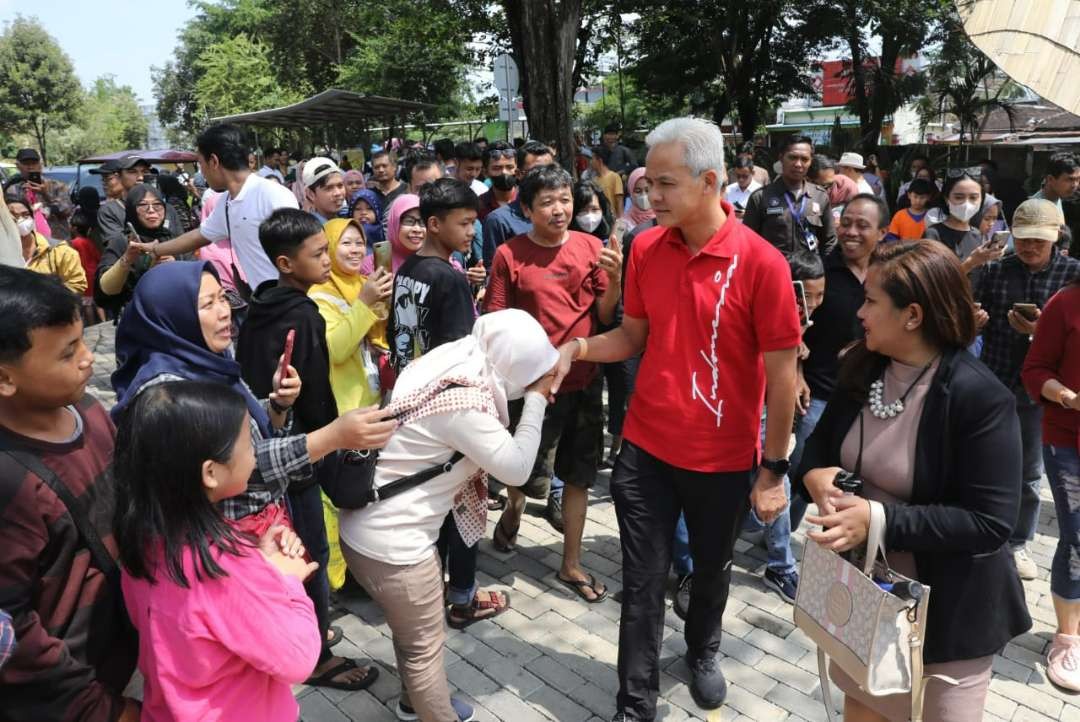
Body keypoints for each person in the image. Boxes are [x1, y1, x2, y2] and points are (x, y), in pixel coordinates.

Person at [548, 117, 801, 719]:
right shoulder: (644, 249)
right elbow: (632, 335)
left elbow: (783, 378)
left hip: (722, 459)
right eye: (647, 185)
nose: (650, 196)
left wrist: (773, 470)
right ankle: (636, 702)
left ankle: (703, 652)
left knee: (711, 573)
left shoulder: (761, 264)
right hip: (645, 452)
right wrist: (576, 349)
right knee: (642, 583)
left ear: (710, 181)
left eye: (663, 184)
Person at [109, 260, 395, 690]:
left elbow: (242, 435)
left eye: (223, 297)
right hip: (229, 537)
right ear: (172, 317)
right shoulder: (169, 392)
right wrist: (330, 437)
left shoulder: (204, 358)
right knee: (259, 636)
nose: (225, 311)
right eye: (207, 304)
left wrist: (276, 406)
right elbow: (241, 464)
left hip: (255, 525)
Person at [796, 240, 1032, 722]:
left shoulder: (979, 398)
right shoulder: (861, 367)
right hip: (867, 602)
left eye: (871, 301)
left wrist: (878, 519)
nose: (859, 312)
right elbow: (817, 452)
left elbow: (990, 522)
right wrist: (814, 477)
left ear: (912, 315)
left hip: (948, 618)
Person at [339, 309, 557, 722]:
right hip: (396, 547)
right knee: (425, 651)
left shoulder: (452, 358)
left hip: (366, 529)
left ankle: (410, 702)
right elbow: (516, 468)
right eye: (531, 372)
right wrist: (536, 400)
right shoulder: (467, 404)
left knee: (412, 632)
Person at [115, 381, 321, 722]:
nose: (255, 450)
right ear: (210, 472)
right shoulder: (223, 565)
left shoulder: (144, 538)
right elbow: (299, 658)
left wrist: (260, 563)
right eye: (246, 443)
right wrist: (285, 581)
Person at [0, 267, 139, 721]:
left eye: (82, 342)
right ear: (5, 378)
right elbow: (14, 635)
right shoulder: (12, 482)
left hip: (125, 645)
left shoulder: (86, 408)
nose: (86, 360)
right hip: (75, 694)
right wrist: (102, 710)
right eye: (66, 353)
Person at [486, 165, 622, 606]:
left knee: (579, 476)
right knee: (522, 472)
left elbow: (603, 315)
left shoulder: (591, 247)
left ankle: (571, 563)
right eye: (547, 202)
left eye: (565, 199)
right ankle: (513, 510)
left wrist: (616, 279)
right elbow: (497, 323)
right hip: (534, 390)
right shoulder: (510, 255)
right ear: (526, 209)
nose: (560, 209)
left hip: (583, 380)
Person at [972, 199, 1080, 581]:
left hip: (1044, 392)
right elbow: (973, 319)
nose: (1030, 247)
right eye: (1023, 239)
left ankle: (1018, 543)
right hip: (995, 379)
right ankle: (983, 533)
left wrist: (1037, 332)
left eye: (1039, 240)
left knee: (1030, 473)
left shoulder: (1072, 277)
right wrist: (975, 320)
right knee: (985, 462)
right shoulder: (996, 271)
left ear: (1056, 238)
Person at [136, 124, 301, 293]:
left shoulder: (272, 195)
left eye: (201, 164)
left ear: (213, 161)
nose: (202, 173)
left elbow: (300, 251)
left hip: (291, 301)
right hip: (265, 301)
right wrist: (155, 249)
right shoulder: (226, 202)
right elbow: (200, 236)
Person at [1022, 275, 1080, 690]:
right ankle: (1067, 638)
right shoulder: (1066, 304)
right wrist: (1069, 397)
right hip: (1068, 439)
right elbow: (1036, 369)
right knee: (1077, 537)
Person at [388, 179, 480, 373]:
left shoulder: (406, 269)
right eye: (464, 223)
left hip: (407, 384)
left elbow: (393, 332)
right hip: (440, 392)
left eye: (473, 222)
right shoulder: (451, 279)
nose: (472, 232)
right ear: (434, 224)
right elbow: (461, 353)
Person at [310, 218, 393, 417]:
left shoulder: (366, 283)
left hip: (380, 394)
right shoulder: (318, 293)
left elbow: (384, 334)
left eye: (360, 243)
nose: (355, 250)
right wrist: (364, 302)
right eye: (346, 243)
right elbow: (337, 350)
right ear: (328, 248)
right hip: (348, 405)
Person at [744, 134, 836, 257]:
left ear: (810, 161)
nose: (798, 164)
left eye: (804, 159)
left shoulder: (820, 196)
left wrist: (823, 271)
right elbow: (747, 242)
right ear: (781, 158)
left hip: (810, 274)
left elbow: (829, 241)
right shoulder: (760, 198)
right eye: (792, 157)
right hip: (774, 273)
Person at [95, 184, 181, 312]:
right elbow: (106, 289)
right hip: (136, 313)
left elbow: (195, 277)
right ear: (131, 209)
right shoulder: (123, 242)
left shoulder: (175, 239)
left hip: (175, 312)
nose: (151, 210)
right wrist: (127, 260)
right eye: (143, 205)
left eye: (157, 204)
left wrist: (176, 267)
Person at [481, 141, 555, 269]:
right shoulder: (496, 219)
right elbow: (495, 271)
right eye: (536, 172)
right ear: (520, 174)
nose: (545, 177)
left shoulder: (563, 211)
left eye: (550, 170)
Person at [925, 169, 1003, 272]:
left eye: (973, 198)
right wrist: (970, 263)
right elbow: (934, 280)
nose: (966, 204)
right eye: (959, 197)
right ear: (946, 199)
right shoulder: (933, 234)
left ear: (981, 200)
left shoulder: (978, 235)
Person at [6, 195, 86, 295]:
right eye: (13, 216)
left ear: (32, 217)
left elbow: (77, 284)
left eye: (25, 214)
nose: (20, 220)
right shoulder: (4, 254)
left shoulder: (59, 252)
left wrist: (46, 300)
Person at [3, 148, 72, 240]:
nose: (30, 167)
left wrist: (46, 194)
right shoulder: (13, 190)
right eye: (26, 163)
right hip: (31, 243)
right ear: (18, 166)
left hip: (58, 241)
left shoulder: (57, 186)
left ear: (40, 165)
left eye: (34, 163)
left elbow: (67, 210)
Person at [361, 193, 424, 276]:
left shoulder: (439, 262)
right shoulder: (371, 265)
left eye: (422, 222)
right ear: (394, 223)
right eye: (409, 221)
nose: (417, 229)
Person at [68, 208, 105, 325]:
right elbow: (98, 256)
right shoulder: (89, 241)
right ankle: (104, 321)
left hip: (84, 274)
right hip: (94, 272)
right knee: (97, 300)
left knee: (87, 303)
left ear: (74, 228)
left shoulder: (74, 243)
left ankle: (92, 324)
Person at [476, 141, 518, 221]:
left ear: (517, 170)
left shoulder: (528, 201)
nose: (504, 172)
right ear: (485, 172)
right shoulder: (479, 205)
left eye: (509, 167)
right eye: (496, 168)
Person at [303, 157, 347, 224]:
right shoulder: (309, 231)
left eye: (340, 185)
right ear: (310, 194)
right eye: (329, 188)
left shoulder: (345, 219)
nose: (338, 193)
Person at [590, 145, 625, 216]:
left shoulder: (614, 177)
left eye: (592, 158)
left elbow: (619, 202)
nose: (591, 162)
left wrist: (620, 221)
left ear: (599, 161)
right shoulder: (594, 180)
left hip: (612, 219)